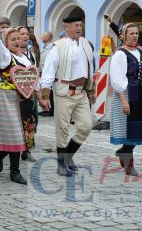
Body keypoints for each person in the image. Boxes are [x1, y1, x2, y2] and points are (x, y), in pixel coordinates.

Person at [0, 8, 48, 185]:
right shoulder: (4, 56)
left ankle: (0, 154)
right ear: (6, 43)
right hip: (7, 97)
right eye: (12, 39)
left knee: (22, 134)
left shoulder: (27, 58)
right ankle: (14, 171)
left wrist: (40, 99)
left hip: (25, 99)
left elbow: (33, 81)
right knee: (15, 134)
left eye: (19, 38)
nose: (17, 41)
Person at [40, 15, 96, 177]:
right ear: (67, 28)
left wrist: (91, 91)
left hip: (80, 92)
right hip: (63, 91)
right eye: (75, 25)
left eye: (80, 25)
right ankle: (61, 164)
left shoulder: (85, 44)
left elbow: (89, 68)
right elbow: (48, 72)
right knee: (63, 129)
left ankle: (68, 156)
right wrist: (44, 96)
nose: (79, 28)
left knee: (86, 126)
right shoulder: (58, 47)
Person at [110, 23, 142, 176]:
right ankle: (128, 164)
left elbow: (140, 73)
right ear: (123, 36)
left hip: (139, 93)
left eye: (136, 33)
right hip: (126, 94)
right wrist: (123, 100)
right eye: (131, 33)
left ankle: (123, 152)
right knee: (128, 131)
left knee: (140, 128)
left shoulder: (140, 51)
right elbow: (116, 78)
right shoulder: (120, 54)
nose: (135, 36)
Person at [17, 26, 38, 163]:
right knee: (15, 123)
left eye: (26, 34)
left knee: (29, 122)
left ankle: (26, 150)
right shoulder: (11, 53)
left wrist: (39, 96)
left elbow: (35, 75)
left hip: (29, 93)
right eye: (22, 34)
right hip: (14, 93)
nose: (25, 36)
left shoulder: (31, 54)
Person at [40, 31, 54, 117]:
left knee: (50, 93)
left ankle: (50, 110)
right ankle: (47, 109)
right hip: (44, 72)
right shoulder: (46, 47)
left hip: (48, 72)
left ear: (48, 38)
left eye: (43, 36)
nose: (41, 37)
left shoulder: (51, 47)